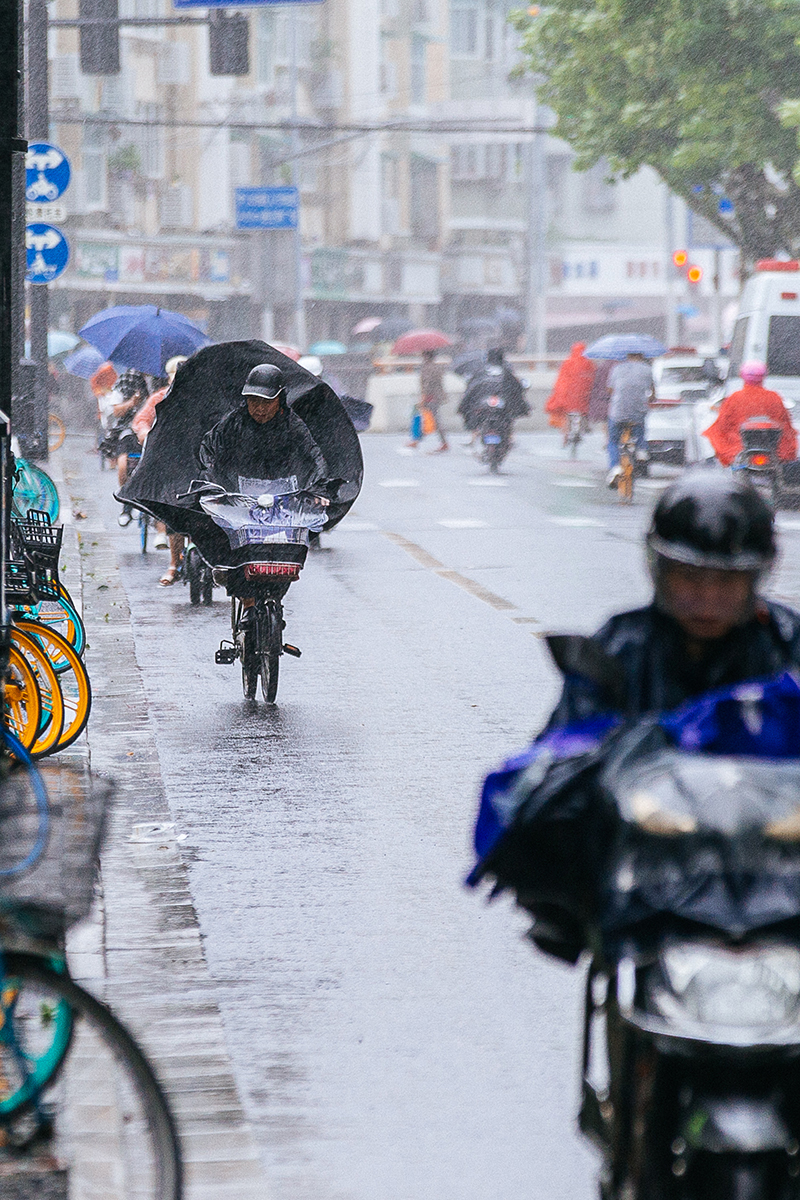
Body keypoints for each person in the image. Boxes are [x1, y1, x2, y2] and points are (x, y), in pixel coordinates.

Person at [545, 472, 800, 731]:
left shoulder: (789, 648)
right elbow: (560, 754)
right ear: (661, 572)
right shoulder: (617, 653)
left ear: (754, 579)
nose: (707, 598)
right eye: (689, 577)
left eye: (727, 580)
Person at [198, 363, 329, 496]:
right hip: (240, 500)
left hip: (283, 499)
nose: (260, 409)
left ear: (279, 400)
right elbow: (209, 451)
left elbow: (314, 458)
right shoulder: (233, 423)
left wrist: (318, 488)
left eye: (267, 402)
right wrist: (211, 484)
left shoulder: (292, 425)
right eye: (254, 401)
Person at [132, 356, 189, 585]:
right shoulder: (159, 398)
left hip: (197, 461)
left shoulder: (202, 398)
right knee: (173, 507)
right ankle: (174, 564)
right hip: (168, 460)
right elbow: (141, 421)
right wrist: (150, 437)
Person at [703, 359, 797, 467]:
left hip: (739, 448)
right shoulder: (774, 397)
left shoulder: (735, 398)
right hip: (773, 449)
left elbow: (722, 426)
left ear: (742, 375)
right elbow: (785, 425)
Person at [605, 352, 654, 486]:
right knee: (640, 431)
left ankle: (615, 467)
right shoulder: (647, 369)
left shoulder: (617, 369)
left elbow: (609, 390)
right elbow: (652, 393)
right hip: (638, 412)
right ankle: (642, 451)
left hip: (618, 412)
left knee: (613, 441)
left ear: (627, 356)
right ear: (641, 355)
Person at [457, 347, 529, 433]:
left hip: (487, 404)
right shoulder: (507, 372)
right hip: (499, 405)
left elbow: (470, 391)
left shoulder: (480, 372)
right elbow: (517, 389)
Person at [544, 341, 595, 438]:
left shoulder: (567, 362)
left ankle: (565, 435)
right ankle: (586, 426)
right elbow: (592, 379)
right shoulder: (589, 363)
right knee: (584, 410)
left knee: (567, 415)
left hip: (569, 396)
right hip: (583, 396)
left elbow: (561, 379)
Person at [408, 348, 448, 452]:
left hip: (430, 397)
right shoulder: (436, 367)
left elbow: (427, 384)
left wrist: (423, 397)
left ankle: (444, 443)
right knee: (426, 419)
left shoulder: (427, 368)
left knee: (433, 420)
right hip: (435, 396)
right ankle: (417, 440)